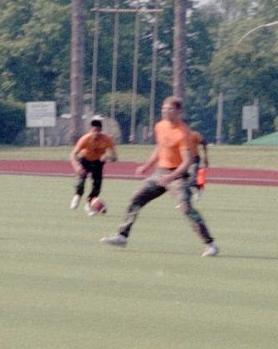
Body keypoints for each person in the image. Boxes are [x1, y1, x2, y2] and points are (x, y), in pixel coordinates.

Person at [100, 96, 218, 256]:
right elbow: (160, 148)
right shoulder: (160, 126)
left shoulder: (182, 133)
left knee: (186, 208)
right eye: (163, 108)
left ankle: (210, 244)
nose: (165, 111)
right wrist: (147, 166)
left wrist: (171, 177)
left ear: (179, 111)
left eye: (169, 109)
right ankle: (122, 235)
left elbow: (187, 162)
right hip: (160, 172)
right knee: (136, 198)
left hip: (178, 175)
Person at [70, 116, 117, 213]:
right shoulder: (85, 139)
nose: (96, 131)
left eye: (98, 129)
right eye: (94, 129)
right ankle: (77, 195)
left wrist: (107, 157)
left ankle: (89, 204)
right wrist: (77, 167)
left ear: (101, 129)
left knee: (97, 186)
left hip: (98, 162)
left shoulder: (107, 139)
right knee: (81, 180)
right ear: (91, 129)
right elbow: (73, 155)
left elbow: (115, 157)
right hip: (85, 159)